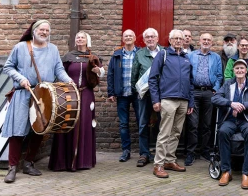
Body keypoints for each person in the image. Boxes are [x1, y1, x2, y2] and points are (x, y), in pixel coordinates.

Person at [1, 20, 73, 183]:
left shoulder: (53, 49)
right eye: (41, 29)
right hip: (23, 93)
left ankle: (28, 163)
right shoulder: (20, 47)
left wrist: (69, 81)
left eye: (47, 30)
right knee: (17, 131)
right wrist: (21, 79)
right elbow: (8, 67)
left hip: (44, 94)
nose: (44, 32)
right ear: (34, 31)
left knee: (39, 129)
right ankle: (12, 167)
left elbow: (59, 69)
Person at [49, 31, 104, 172]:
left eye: (82, 37)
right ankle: (63, 162)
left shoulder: (93, 57)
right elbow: (60, 74)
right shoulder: (68, 57)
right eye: (78, 37)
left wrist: (99, 71)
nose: (80, 39)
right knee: (67, 122)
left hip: (86, 94)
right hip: (69, 94)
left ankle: (82, 161)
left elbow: (101, 74)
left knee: (85, 123)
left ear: (87, 40)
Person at [212, 59, 248, 189]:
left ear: (246, 70)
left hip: (247, 120)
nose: (239, 71)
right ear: (233, 71)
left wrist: (244, 106)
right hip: (230, 120)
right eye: (237, 68)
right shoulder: (227, 84)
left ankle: (246, 173)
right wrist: (230, 104)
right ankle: (226, 171)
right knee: (222, 132)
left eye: (242, 68)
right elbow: (215, 98)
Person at [148, 29, 194, 178]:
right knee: (164, 133)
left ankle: (169, 160)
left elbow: (190, 82)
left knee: (176, 133)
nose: (179, 41)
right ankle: (158, 165)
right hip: (168, 99)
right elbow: (153, 78)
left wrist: (190, 102)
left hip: (183, 100)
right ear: (170, 40)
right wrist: (156, 100)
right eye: (176, 38)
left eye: (181, 38)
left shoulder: (186, 58)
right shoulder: (163, 54)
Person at [185, 33, 223, 166]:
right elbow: (187, 74)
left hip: (209, 92)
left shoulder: (216, 57)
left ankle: (205, 150)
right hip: (194, 92)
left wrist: (215, 89)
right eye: (204, 39)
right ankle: (191, 152)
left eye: (209, 40)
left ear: (212, 42)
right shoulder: (191, 56)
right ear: (199, 41)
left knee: (207, 124)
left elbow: (219, 76)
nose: (206, 42)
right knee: (192, 124)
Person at [130, 28, 163, 167]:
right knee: (143, 124)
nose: (150, 39)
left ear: (157, 38)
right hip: (144, 96)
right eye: (147, 37)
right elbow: (134, 74)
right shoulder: (139, 54)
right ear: (144, 40)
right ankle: (144, 154)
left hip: (161, 95)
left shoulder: (164, 53)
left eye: (152, 36)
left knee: (162, 125)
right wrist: (136, 91)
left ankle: (160, 154)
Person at [107, 29, 139, 162]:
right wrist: (111, 92)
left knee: (141, 123)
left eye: (131, 35)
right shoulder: (116, 55)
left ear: (135, 38)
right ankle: (126, 151)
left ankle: (144, 151)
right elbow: (110, 74)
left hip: (138, 94)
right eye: (126, 36)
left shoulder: (141, 53)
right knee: (124, 124)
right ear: (123, 39)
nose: (128, 38)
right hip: (122, 94)